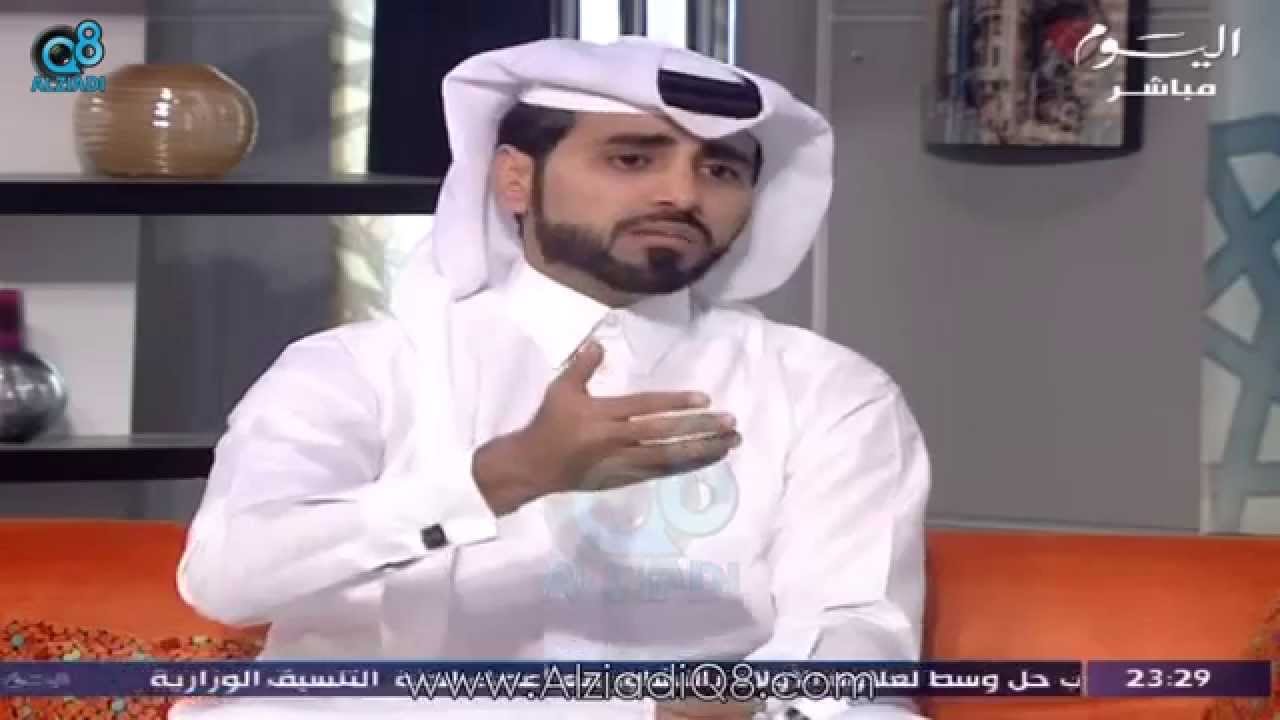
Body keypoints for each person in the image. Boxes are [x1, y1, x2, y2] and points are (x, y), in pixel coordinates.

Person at [173, 35, 931, 720]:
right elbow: (228, 577)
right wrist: (504, 477)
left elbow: (855, 617)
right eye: (632, 159)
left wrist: (751, 701)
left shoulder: (825, 388)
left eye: (720, 169)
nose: (682, 194)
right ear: (514, 179)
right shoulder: (357, 368)